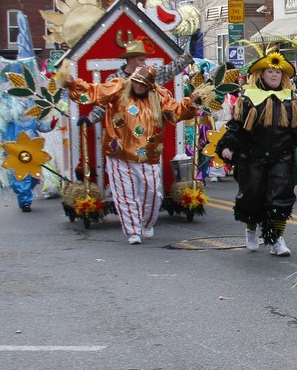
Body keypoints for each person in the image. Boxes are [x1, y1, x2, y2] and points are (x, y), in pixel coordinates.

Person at [63, 64, 206, 244]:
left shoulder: (160, 96)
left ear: (150, 85)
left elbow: (177, 112)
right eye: (137, 82)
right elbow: (94, 92)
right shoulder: (119, 88)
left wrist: (192, 103)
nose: (138, 86)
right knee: (125, 193)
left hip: (148, 154)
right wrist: (72, 83)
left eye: (143, 84)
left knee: (153, 192)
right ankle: (132, 231)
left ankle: (146, 223)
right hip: (119, 152)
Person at [217, 49, 297, 257]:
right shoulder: (248, 98)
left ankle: (277, 238)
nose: (275, 75)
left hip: (281, 157)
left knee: (281, 198)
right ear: (261, 74)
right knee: (252, 198)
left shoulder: (292, 100)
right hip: (252, 157)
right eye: (269, 71)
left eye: (278, 72)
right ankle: (251, 230)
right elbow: (235, 127)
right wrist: (227, 145)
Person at [84, 39, 193, 126]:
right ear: (130, 60)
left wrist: (190, 53)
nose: (144, 63)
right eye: (141, 60)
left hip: (147, 134)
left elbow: (172, 69)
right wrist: (90, 119)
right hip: (123, 137)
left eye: (144, 60)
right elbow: (104, 104)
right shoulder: (115, 80)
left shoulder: (151, 75)